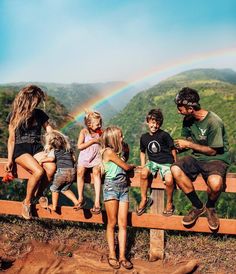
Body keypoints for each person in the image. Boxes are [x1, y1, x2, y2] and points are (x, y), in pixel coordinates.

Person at [171, 87, 230, 230]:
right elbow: (188, 140)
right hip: (196, 157)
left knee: (215, 184)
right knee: (175, 169)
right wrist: (179, 146)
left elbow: (212, 151)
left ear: (190, 108)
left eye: (180, 108)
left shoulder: (213, 122)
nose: (178, 110)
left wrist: (189, 144)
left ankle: (210, 207)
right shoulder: (188, 120)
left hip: (215, 158)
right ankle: (197, 206)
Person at [5, 85, 56, 220]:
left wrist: (51, 141)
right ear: (28, 100)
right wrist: (10, 159)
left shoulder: (39, 114)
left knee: (51, 169)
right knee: (38, 171)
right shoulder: (14, 114)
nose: (37, 103)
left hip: (36, 147)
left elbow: (49, 130)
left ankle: (38, 195)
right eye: (36, 101)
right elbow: (11, 139)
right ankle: (27, 202)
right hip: (20, 149)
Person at [101, 126, 135, 270]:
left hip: (123, 188)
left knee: (123, 224)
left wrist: (125, 150)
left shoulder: (119, 151)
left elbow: (125, 157)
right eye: (120, 136)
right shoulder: (108, 152)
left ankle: (122, 256)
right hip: (111, 188)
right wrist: (132, 165)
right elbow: (126, 167)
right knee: (112, 222)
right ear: (114, 138)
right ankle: (112, 254)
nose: (122, 138)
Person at [136, 109, 176, 216]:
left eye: (157, 123)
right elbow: (142, 151)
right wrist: (143, 165)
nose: (155, 125)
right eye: (152, 122)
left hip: (166, 162)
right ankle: (144, 199)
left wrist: (175, 164)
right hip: (152, 162)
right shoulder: (144, 137)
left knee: (169, 180)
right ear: (148, 122)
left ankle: (169, 203)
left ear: (160, 124)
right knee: (143, 173)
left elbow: (172, 149)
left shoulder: (164, 135)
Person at [39, 130, 78, 211]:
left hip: (62, 172)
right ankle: (77, 202)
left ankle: (54, 207)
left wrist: (42, 160)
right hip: (72, 172)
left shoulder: (55, 150)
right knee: (65, 189)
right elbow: (74, 159)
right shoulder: (68, 149)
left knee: (54, 189)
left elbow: (51, 158)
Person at [77, 111, 102, 214]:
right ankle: (80, 198)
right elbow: (79, 146)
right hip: (84, 157)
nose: (99, 126)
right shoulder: (84, 132)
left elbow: (104, 143)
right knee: (80, 172)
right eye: (97, 124)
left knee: (96, 173)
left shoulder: (100, 132)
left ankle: (97, 202)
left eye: (100, 123)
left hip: (96, 157)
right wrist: (92, 141)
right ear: (89, 124)